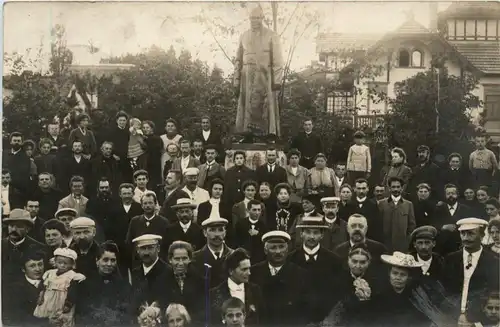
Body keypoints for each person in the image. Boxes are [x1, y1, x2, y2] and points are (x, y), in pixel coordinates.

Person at [234, 5, 283, 137]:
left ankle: (268, 135)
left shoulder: (271, 36)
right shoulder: (243, 36)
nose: (254, 21)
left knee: (266, 107)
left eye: (257, 18)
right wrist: (236, 81)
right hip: (247, 78)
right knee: (247, 108)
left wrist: (277, 81)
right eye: (251, 18)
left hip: (265, 77)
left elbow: (277, 60)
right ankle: (247, 134)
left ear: (262, 18)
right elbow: (238, 60)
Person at [250, 231, 309, 326]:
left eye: (281, 247)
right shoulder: (253, 272)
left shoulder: (300, 274)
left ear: (287, 250)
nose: (278, 251)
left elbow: (304, 309)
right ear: (265, 250)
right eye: (273, 247)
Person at [288, 216, 341, 323]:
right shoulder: (290, 259)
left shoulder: (334, 260)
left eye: (316, 233)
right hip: (296, 320)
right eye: (308, 232)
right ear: (301, 234)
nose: (312, 236)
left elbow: (336, 292)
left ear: (322, 235)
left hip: (325, 319)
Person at [77, 241, 131, 326]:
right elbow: (82, 313)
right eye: (105, 260)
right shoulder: (85, 284)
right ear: (97, 261)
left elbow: (126, 311)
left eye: (113, 260)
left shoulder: (123, 285)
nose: (109, 264)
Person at [209, 248, 264, 326]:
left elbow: (262, 319)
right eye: (244, 269)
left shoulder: (255, 290)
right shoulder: (214, 293)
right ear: (231, 271)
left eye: (249, 268)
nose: (249, 273)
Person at [33, 248, 86, 327]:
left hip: (62, 302)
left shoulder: (72, 276)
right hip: (47, 300)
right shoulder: (50, 273)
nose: (62, 265)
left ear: (72, 264)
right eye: (59, 262)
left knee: (61, 321)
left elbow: (73, 292)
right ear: (55, 262)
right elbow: (43, 286)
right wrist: (41, 295)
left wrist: (68, 304)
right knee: (46, 320)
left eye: (66, 263)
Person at [191, 217, 234, 289]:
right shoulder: (195, 258)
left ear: (225, 233)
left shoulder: (234, 255)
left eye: (220, 230)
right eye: (212, 230)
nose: (217, 234)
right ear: (205, 233)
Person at [378, 176, 416, 252]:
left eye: (398, 187)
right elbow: (378, 224)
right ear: (389, 188)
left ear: (402, 188)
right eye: (393, 187)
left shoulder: (408, 204)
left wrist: (406, 241)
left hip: (402, 246)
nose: (396, 189)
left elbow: (412, 225)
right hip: (385, 245)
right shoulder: (381, 203)